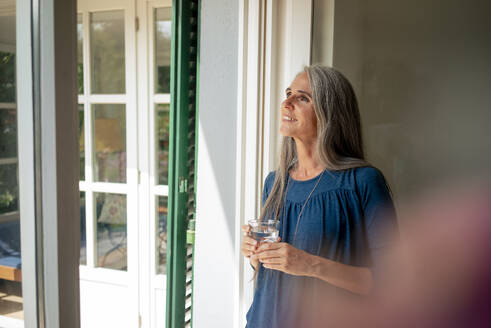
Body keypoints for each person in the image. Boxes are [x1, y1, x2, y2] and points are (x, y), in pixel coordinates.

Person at [241, 65, 398, 327]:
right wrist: (255, 254)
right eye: (288, 93)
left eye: (302, 97)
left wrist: (309, 264)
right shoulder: (274, 183)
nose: (286, 102)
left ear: (330, 113)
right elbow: (269, 273)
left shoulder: (363, 182)